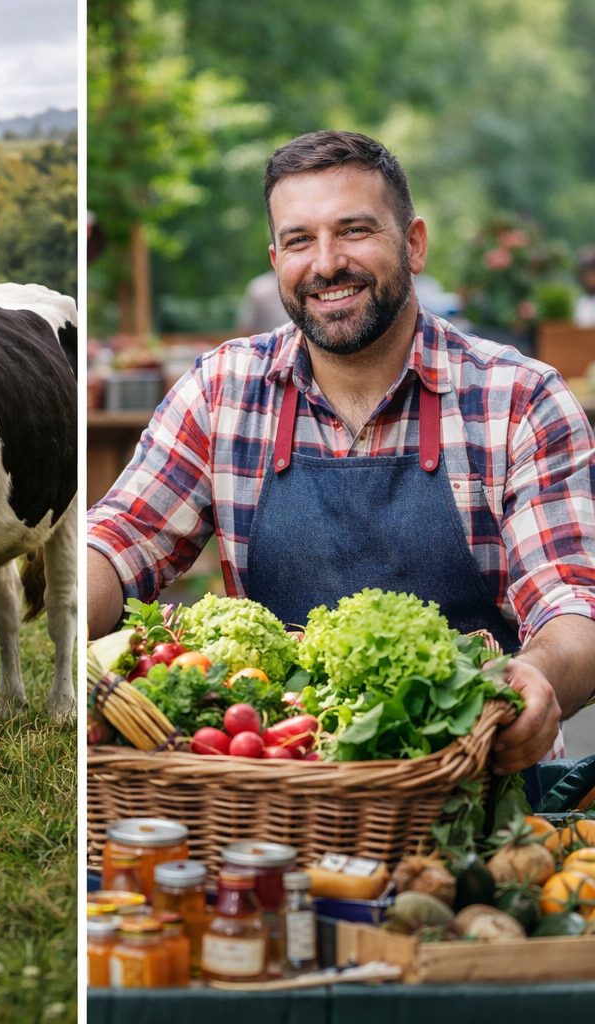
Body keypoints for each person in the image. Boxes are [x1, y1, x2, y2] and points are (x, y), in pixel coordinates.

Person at [87, 131, 595, 782]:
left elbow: (572, 605)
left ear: (413, 243)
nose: (326, 264)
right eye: (300, 240)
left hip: (478, 781)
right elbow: (123, 535)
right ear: (275, 259)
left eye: (354, 231)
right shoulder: (222, 391)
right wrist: (76, 621)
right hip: (277, 786)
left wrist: (537, 673)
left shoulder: (520, 399)